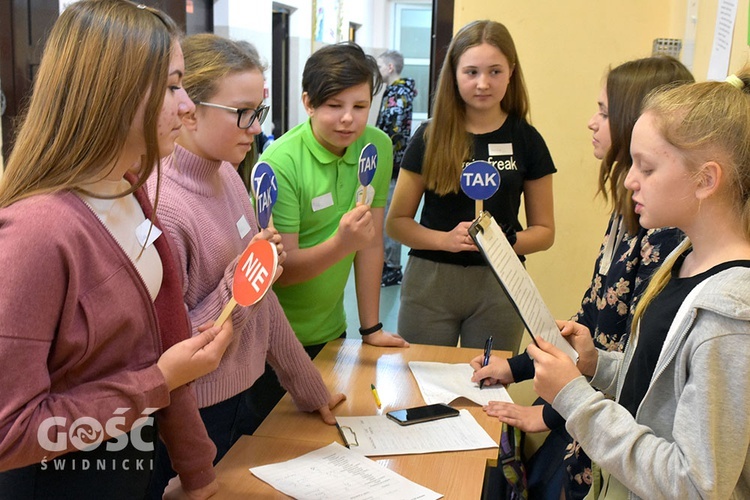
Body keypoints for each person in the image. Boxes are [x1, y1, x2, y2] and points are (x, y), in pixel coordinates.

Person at [0, 1, 234, 499]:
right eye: (173, 87)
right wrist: (156, 382)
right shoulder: (37, 233)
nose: (188, 106)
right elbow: (10, 434)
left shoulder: (132, 188)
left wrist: (197, 472)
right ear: (114, 94)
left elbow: (166, 338)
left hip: (128, 471)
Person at [471, 56, 693, 499]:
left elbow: (632, 359)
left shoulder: (667, 231)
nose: (592, 123)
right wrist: (514, 367)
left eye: (605, 112)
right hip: (587, 402)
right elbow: (590, 321)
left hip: (612, 431)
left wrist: (553, 414)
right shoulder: (628, 211)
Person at [529, 68, 750, 498]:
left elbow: (695, 486)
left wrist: (574, 400)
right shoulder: (682, 257)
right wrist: (598, 367)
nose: (630, 180)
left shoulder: (729, 319)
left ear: (706, 179)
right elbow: (660, 390)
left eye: (646, 168)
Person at [145, 34, 347, 496]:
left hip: (245, 397)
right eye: (243, 113)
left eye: (260, 112)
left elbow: (263, 303)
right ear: (188, 109)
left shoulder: (228, 177)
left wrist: (308, 387)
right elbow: (168, 354)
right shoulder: (161, 206)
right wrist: (239, 284)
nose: (256, 128)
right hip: (191, 421)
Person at [386, 20, 555, 351]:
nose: (483, 83)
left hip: (501, 284)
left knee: (488, 388)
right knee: (425, 388)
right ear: (454, 73)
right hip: (430, 283)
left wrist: (504, 244)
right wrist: (445, 240)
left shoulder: (528, 140)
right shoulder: (429, 138)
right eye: (471, 72)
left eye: (495, 72)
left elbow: (545, 232)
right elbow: (396, 223)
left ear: (511, 72)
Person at [259, 42, 408, 354]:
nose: (347, 119)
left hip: (332, 331)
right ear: (308, 103)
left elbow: (369, 242)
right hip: (273, 339)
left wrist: (370, 328)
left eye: (359, 106)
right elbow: (282, 271)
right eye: (334, 105)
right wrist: (343, 242)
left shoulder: (376, 147)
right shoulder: (280, 161)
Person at [375, 49, 417, 287]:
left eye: (380, 66)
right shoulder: (399, 92)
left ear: (390, 68)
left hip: (392, 166)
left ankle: (392, 268)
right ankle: (388, 263)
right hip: (392, 163)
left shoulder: (397, 95)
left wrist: (384, 161)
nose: (378, 71)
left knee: (389, 215)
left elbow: (393, 133)